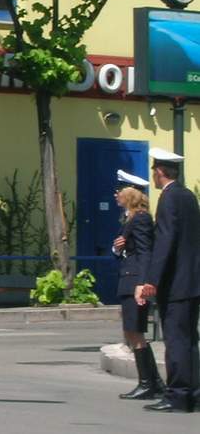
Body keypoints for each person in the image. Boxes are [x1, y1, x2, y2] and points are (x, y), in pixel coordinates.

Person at [137, 147, 200, 413]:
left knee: (175, 341)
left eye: (154, 171)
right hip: (192, 281)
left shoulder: (169, 198)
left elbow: (165, 241)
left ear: (160, 172)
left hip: (176, 284)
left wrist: (152, 279)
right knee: (189, 341)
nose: (153, 176)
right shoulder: (188, 196)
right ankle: (193, 396)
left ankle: (177, 395)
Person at [111, 170, 165, 399]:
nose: (116, 194)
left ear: (131, 193)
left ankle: (147, 384)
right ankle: (154, 383)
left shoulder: (140, 218)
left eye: (120, 189)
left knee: (135, 332)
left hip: (134, 279)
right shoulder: (130, 218)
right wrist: (116, 248)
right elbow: (125, 250)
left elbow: (145, 252)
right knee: (131, 331)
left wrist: (142, 283)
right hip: (128, 277)